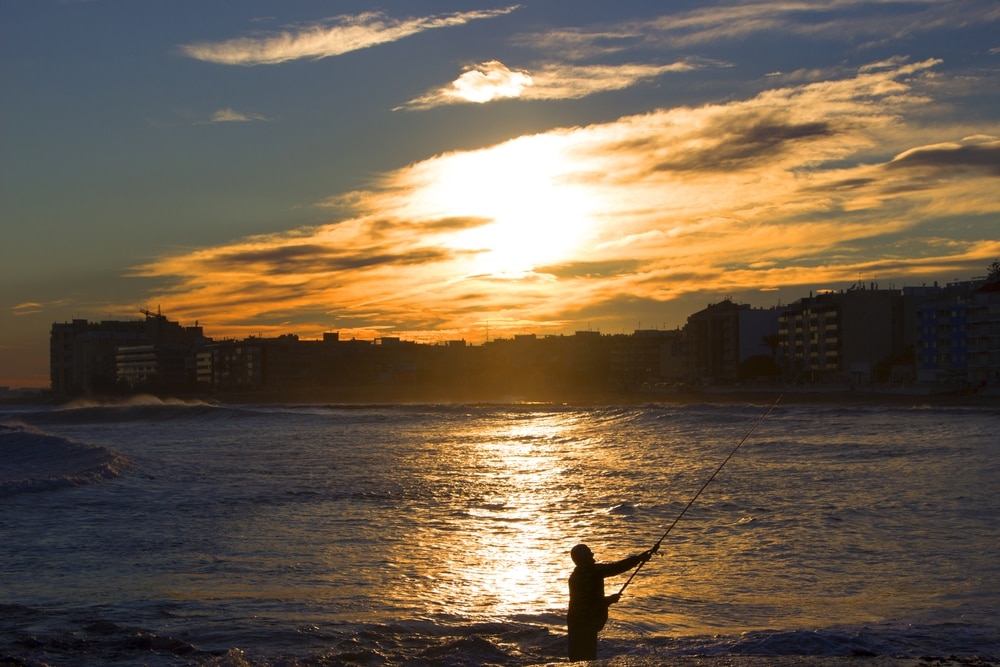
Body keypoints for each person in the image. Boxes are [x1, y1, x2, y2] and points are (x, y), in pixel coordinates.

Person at [566, 542, 658, 661]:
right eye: (589, 553)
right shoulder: (591, 572)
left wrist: (639, 559)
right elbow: (615, 568)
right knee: (585, 657)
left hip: (577, 621)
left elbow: (588, 601)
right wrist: (639, 559)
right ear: (584, 558)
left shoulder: (578, 575)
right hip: (583, 622)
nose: (592, 554)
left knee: (579, 657)